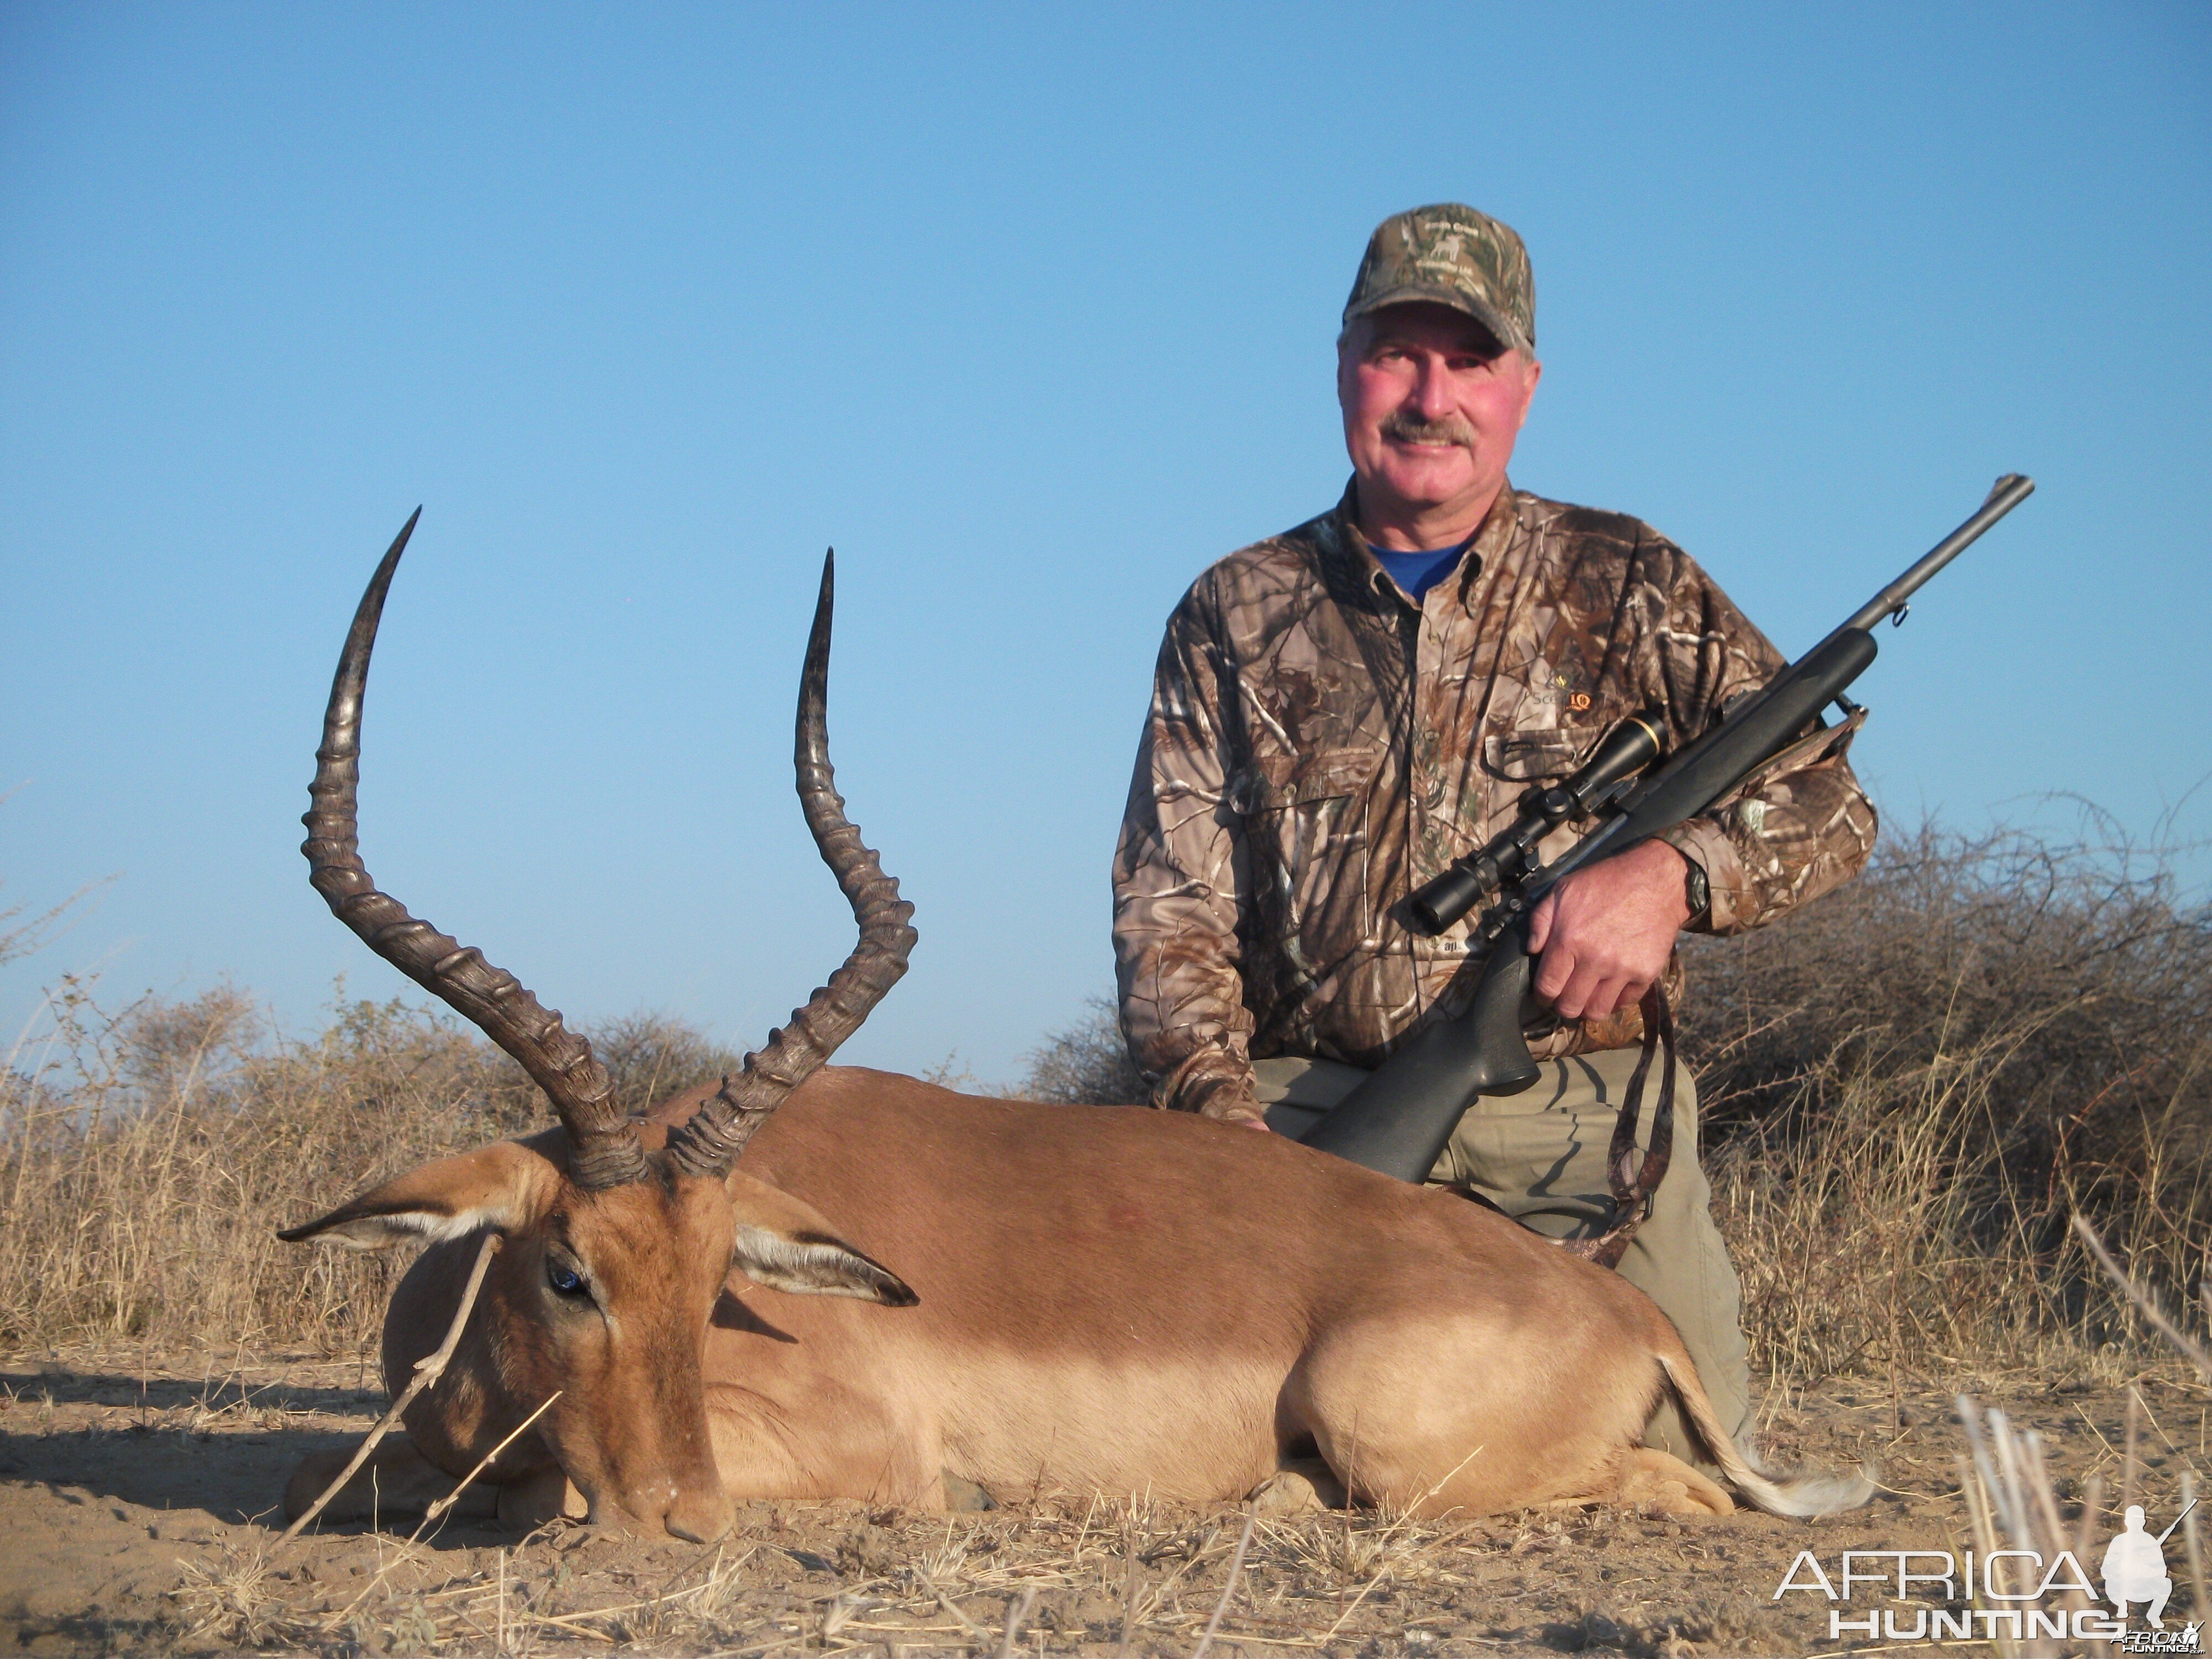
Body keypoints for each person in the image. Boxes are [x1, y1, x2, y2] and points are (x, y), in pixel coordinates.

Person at [1112, 203, 1877, 1460]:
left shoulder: (1630, 578)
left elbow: (1830, 803)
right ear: (1344, 365)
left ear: (1525, 385)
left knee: (1691, 1465)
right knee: (1169, 1446)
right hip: (1303, 1117)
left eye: (1467, 359)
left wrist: (1676, 873)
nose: (1430, 395)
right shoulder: (1234, 609)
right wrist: (1219, 1137)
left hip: (1575, 1102)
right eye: (1396, 352)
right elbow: (1169, 905)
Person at [2101, 1506, 2174, 1628]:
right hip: (2123, 1588)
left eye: (2138, 1520)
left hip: (2145, 1587)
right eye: (2132, 1520)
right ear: (2126, 1522)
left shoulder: (2150, 1541)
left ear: (2144, 1522)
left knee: (2166, 1584)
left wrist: (2145, 1567)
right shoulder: (2119, 1541)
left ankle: (2154, 1615)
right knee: (2110, 1583)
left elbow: (2162, 1571)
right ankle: (2122, 1606)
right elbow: (2106, 1570)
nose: (2135, 1524)